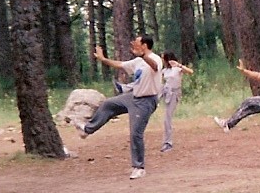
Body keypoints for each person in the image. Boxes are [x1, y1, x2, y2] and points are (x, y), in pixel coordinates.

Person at [77, 35, 163, 180]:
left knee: (135, 133)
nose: (133, 43)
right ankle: (87, 130)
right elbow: (120, 64)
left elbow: (154, 67)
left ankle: (139, 167)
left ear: (145, 45)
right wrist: (103, 59)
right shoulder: (137, 62)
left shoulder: (155, 58)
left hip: (146, 101)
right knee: (108, 104)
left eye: (137, 42)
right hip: (133, 96)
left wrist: (143, 56)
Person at [158, 52, 193, 153]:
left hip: (174, 93)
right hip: (166, 90)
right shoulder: (165, 70)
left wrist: (178, 64)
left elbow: (190, 71)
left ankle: (168, 143)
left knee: (167, 118)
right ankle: (128, 89)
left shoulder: (177, 69)